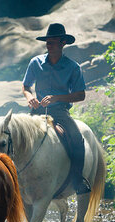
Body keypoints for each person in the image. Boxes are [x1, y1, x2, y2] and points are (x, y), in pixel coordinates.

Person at [22, 23, 91, 194]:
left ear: (63, 43)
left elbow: (80, 95)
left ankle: (77, 179)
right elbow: (25, 86)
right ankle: (15, 177)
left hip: (60, 112)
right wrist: (30, 98)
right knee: (16, 135)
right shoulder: (35, 62)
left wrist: (57, 98)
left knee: (76, 138)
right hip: (37, 111)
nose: (49, 45)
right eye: (47, 43)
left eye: (53, 42)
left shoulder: (73, 67)